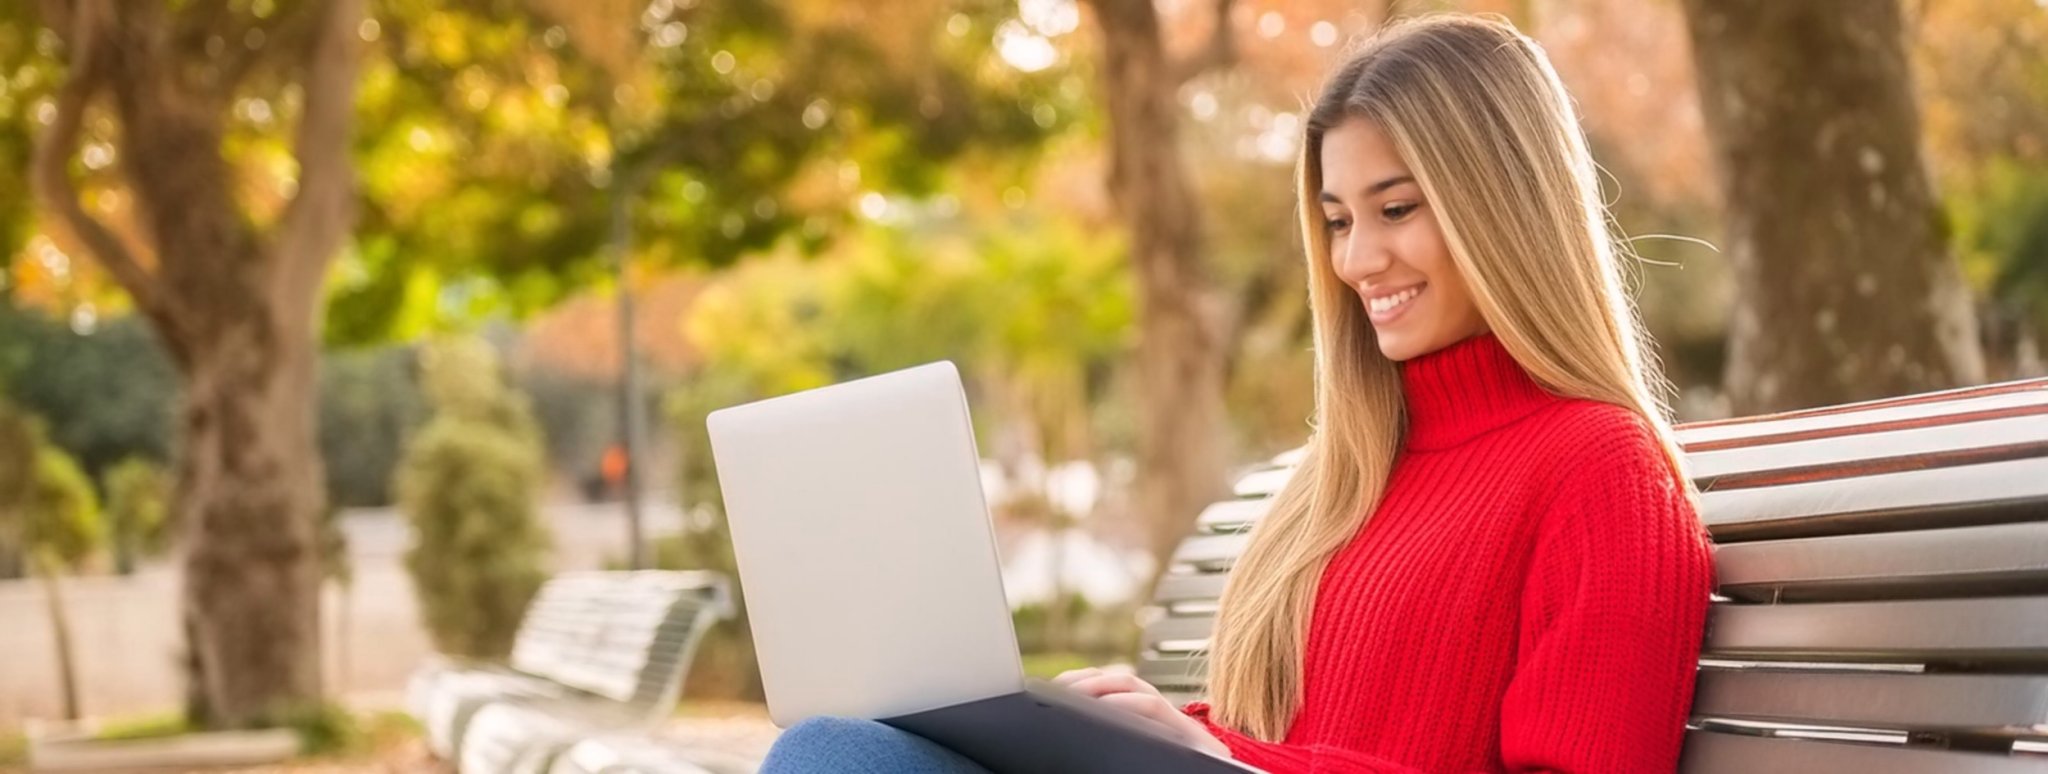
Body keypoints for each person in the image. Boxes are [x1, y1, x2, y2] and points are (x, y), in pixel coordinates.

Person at [761, 13, 1713, 773]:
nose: (1357, 260)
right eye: (1338, 220)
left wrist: (1218, 755)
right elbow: (1284, 736)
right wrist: (1148, 733)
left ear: (1501, 203)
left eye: (1396, 209)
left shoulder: (1601, 475)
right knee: (834, 750)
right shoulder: (1352, 471)